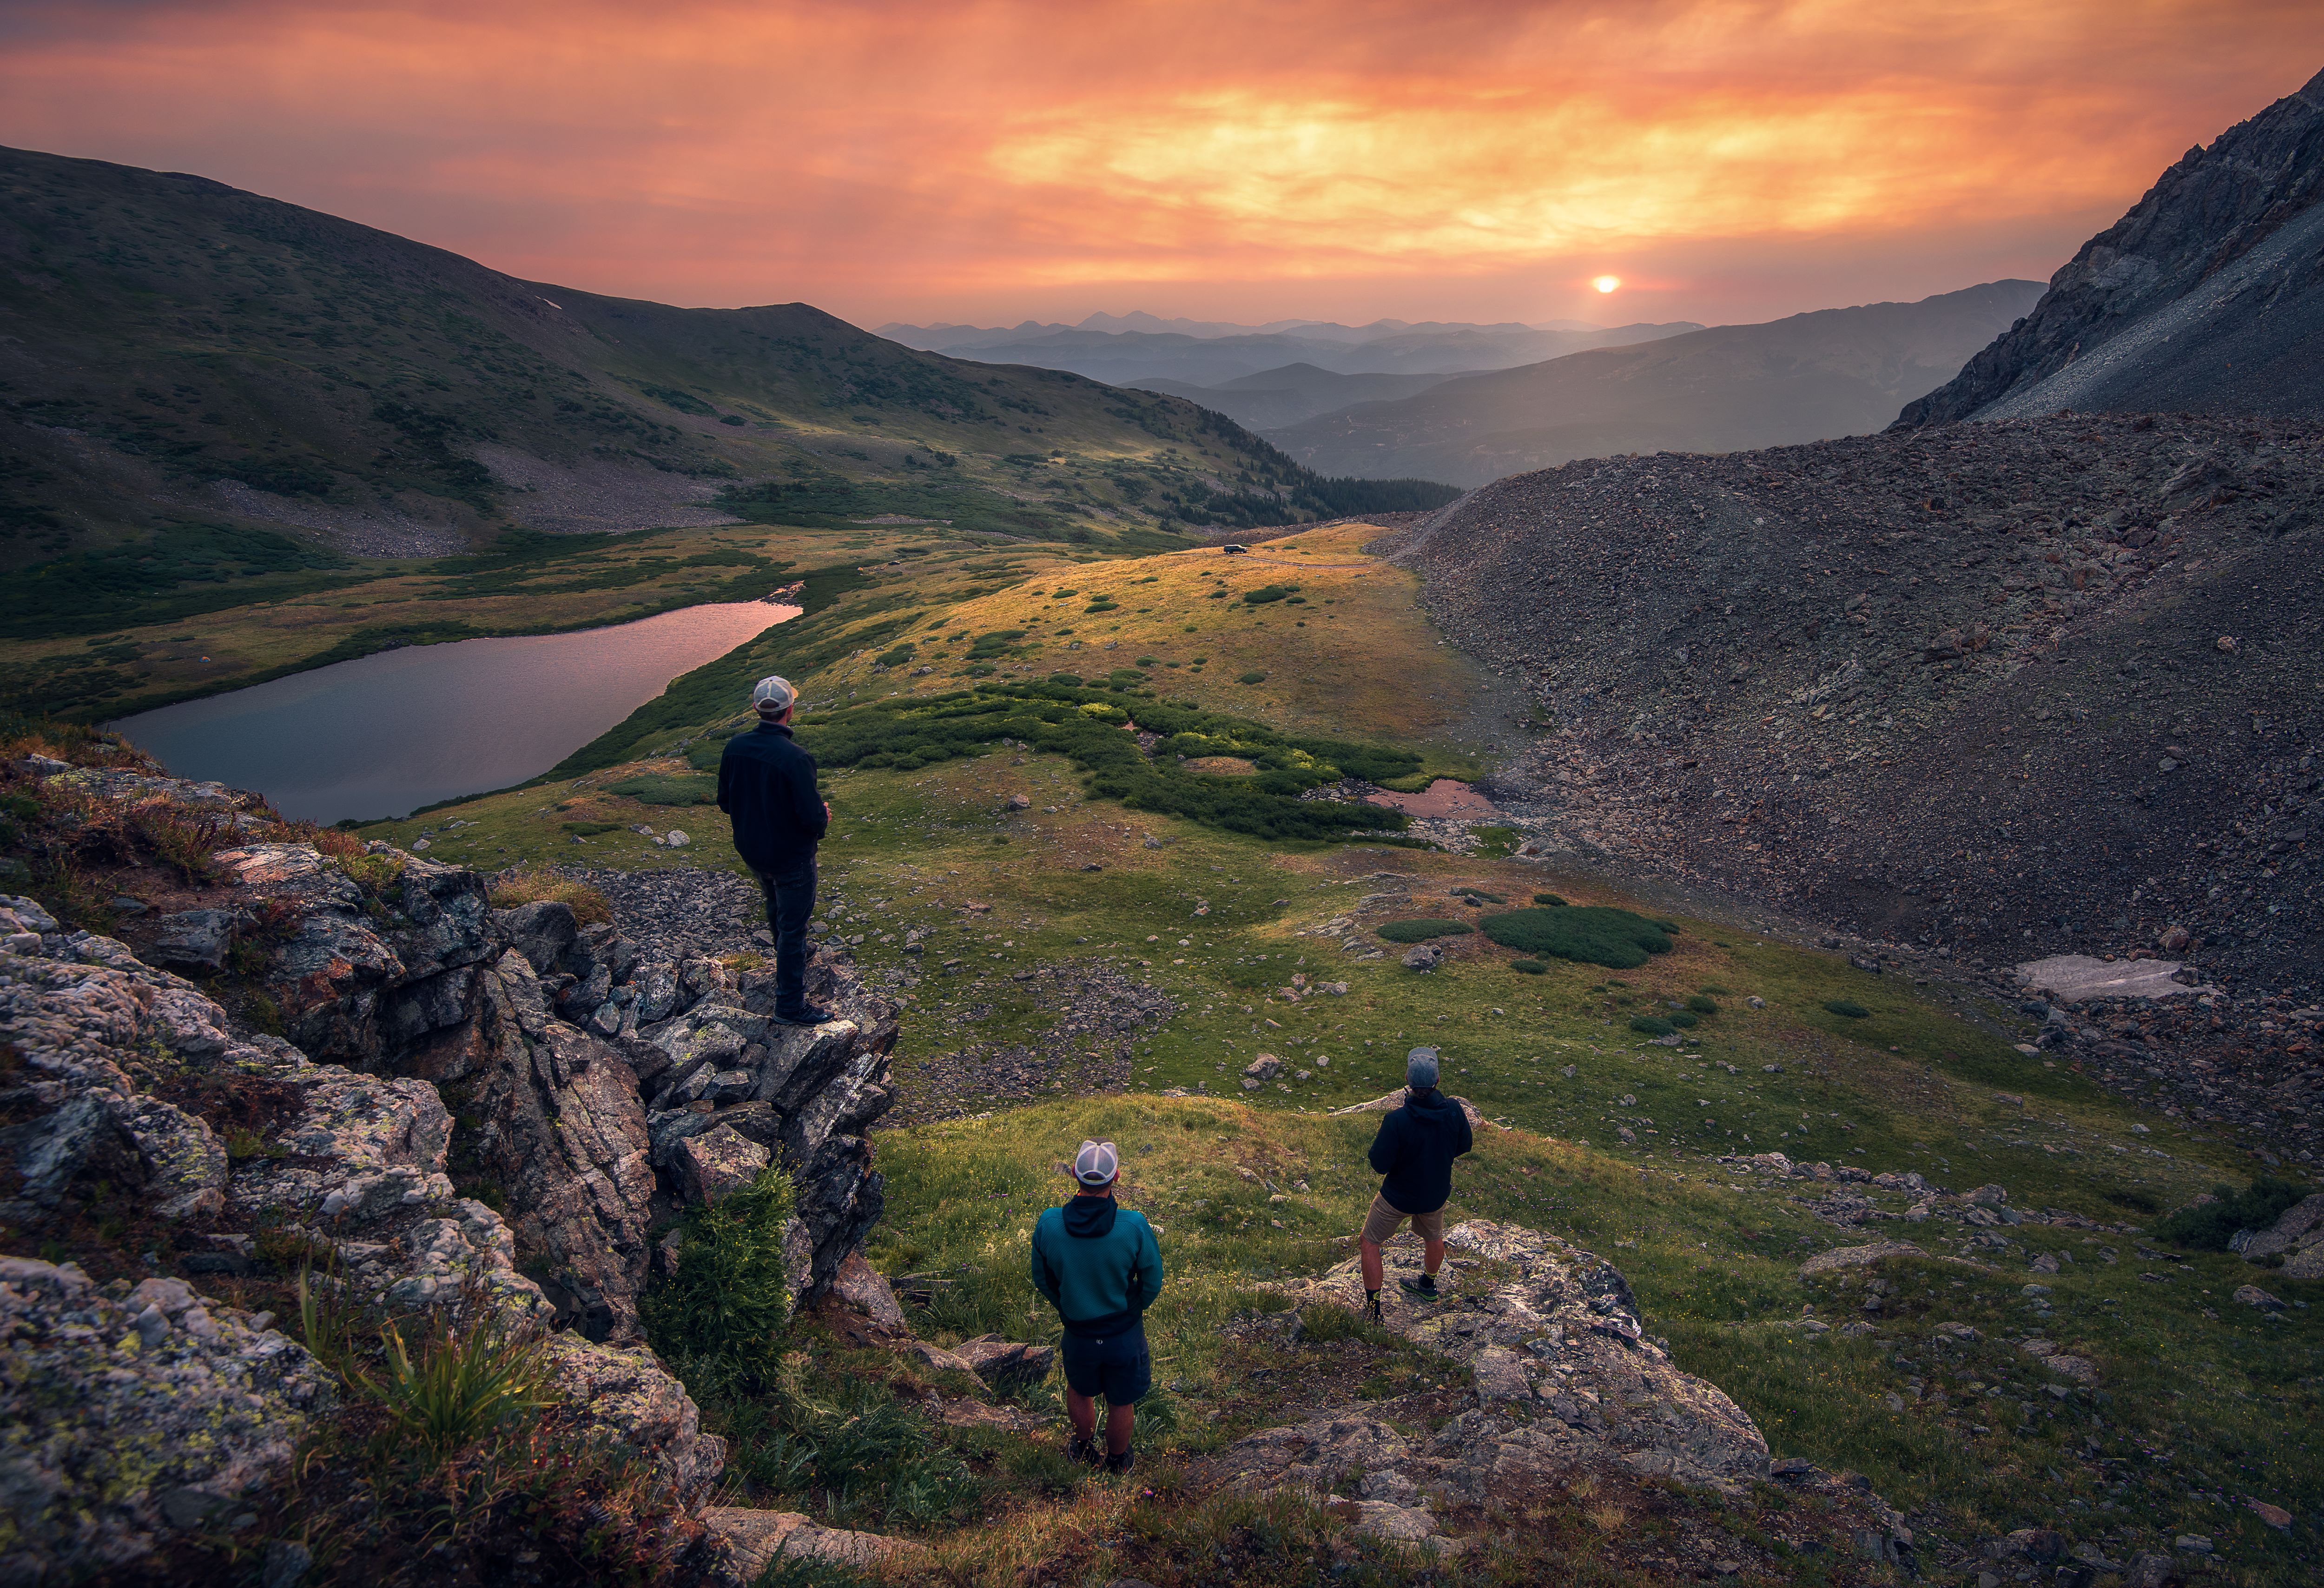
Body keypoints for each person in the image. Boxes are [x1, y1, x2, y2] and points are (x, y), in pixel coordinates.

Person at [1030, 1139, 1164, 1475]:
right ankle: (1118, 1460)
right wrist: (1134, 1308)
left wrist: (1068, 1307)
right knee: (1121, 1400)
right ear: (1116, 1177)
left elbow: (1043, 1278)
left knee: (1080, 1389)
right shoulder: (1133, 1226)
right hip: (1123, 1332)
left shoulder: (1049, 1224)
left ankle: (1083, 1447)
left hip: (1079, 1331)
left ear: (1074, 1174)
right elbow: (1152, 1280)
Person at [716, 674, 832, 1025]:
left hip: (753, 850)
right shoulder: (796, 757)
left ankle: (788, 953)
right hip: (791, 857)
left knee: (775, 904)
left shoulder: (735, 746)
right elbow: (812, 819)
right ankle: (790, 1007)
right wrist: (823, 817)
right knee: (794, 927)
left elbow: (725, 802)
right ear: (790, 709)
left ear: (756, 708)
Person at [1359, 1047, 1473, 1320]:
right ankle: (1427, 1285)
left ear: (1408, 1080)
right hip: (1435, 1194)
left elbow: (1379, 1164)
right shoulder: (1454, 1110)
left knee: (1370, 1242)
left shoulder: (1397, 1120)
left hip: (1397, 1197)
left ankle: (1374, 1311)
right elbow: (1465, 1145)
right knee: (1434, 1236)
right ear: (1438, 1080)